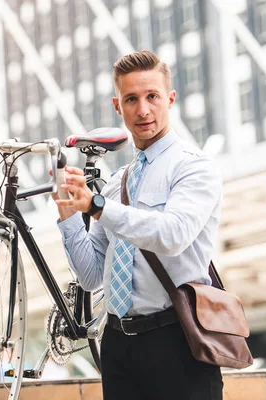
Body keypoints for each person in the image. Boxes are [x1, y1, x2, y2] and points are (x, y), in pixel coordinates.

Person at [53, 50, 224, 399]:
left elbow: (172, 235)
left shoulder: (193, 168)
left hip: (178, 340)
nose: (143, 110)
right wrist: (70, 216)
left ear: (170, 99)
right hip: (118, 346)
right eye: (131, 99)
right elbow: (91, 276)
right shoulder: (118, 182)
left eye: (152, 97)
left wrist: (97, 205)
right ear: (118, 107)